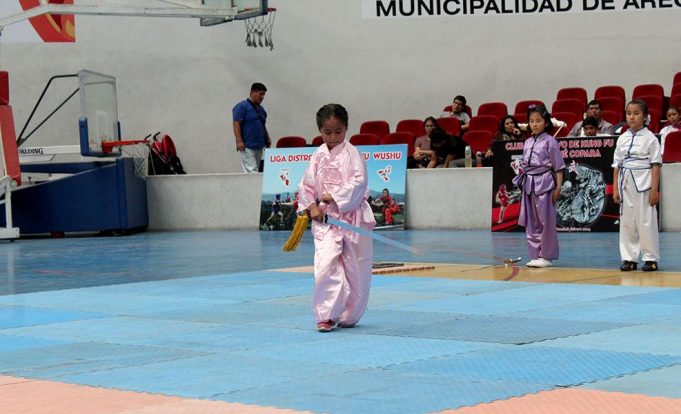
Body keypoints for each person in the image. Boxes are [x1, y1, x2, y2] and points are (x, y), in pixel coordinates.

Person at [297, 103, 376, 332]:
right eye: (327, 132)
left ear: (346, 128)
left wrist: (335, 197)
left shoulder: (353, 154)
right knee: (326, 263)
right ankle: (326, 314)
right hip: (325, 221)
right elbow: (306, 185)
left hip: (352, 218)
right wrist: (312, 206)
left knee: (356, 269)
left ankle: (350, 314)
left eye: (338, 132)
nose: (332, 137)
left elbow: (359, 183)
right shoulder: (318, 155)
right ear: (320, 130)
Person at [513, 104, 565, 268]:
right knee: (532, 221)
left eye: (538, 121)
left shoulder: (550, 141)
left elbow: (558, 166)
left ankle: (546, 256)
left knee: (546, 221)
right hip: (529, 183)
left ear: (546, 122)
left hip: (545, 184)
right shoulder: (527, 141)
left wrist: (558, 187)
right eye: (531, 121)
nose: (534, 124)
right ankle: (535, 255)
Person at [612, 99, 661, 272]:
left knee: (646, 221)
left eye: (636, 113)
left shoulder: (651, 139)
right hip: (625, 183)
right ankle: (629, 258)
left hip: (644, 184)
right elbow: (617, 165)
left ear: (645, 116)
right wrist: (616, 188)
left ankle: (650, 258)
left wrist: (655, 190)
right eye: (629, 113)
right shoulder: (622, 138)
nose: (632, 117)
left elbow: (656, 165)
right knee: (627, 223)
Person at [232, 82, 271, 173]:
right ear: (253, 92)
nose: (262, 97)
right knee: (252, 171)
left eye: (264, 94)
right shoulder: (242, 106)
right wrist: (239, 141)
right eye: (260, 94)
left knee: (256, 170)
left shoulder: (261, 110)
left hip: (259, 145)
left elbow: (262, 125)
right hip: (247, 146)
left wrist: (267, 138)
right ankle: (254, 187)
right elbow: (236, 123)